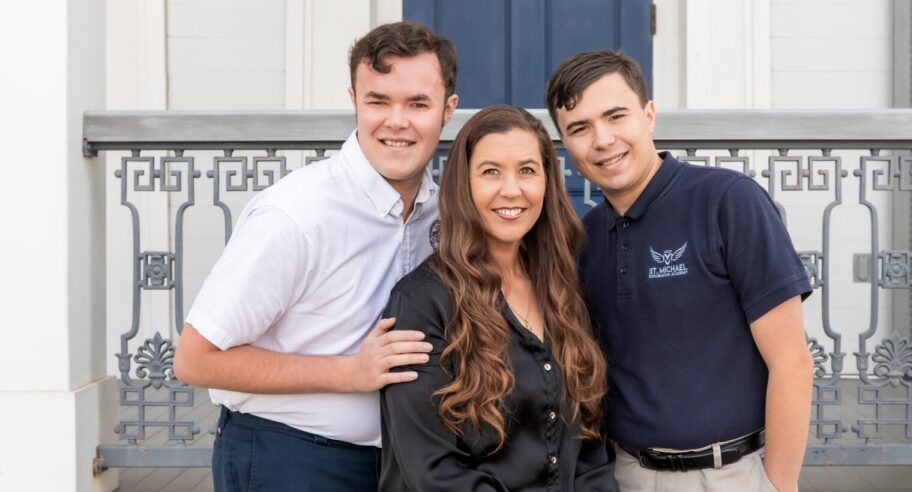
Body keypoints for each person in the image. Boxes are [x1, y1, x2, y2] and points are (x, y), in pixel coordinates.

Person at [172, 22, 459, 491]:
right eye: (378, 101)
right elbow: (195, 360)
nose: (397, 121)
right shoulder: (295, 214)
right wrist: (349, 372)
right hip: (289, 458)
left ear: (447, 109)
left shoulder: (444, 211)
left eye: (418, 104)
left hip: (400, 464)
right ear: (353, 101)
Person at [545, 50, 814, 492]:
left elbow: (792, 362)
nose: (602, 140)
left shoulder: (729, 202)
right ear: (565, 144)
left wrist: (779, 485)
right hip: (626, 475)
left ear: (649, 115)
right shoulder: (583, 242)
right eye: (580, 128)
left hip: (731, 475)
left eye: (616, 116)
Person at [378, 105, 619, 492]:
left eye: (527, 170)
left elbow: (589, 444)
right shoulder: (423, 303)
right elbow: (433, 470)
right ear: (464, 186)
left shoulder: (561, 290)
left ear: (546, 182)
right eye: (491, 172)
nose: (511, 189)